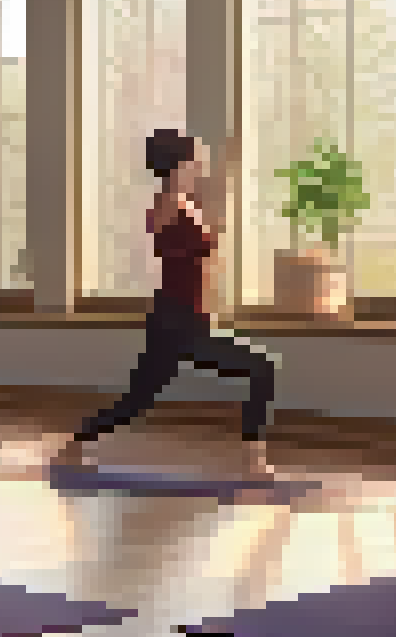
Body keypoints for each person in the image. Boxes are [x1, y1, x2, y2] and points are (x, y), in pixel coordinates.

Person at [52, 128, 281, 481]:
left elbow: (200, 240)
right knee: (261, 368)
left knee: (137, 401)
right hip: (177, 320)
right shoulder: (169, 202)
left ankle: (75, 443)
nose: (200, 163)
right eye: (194, 157)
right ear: (178, 164)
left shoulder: (184, 202)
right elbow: (164, 233)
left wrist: (226, 174)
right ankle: (254, 462)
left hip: (184, 318)